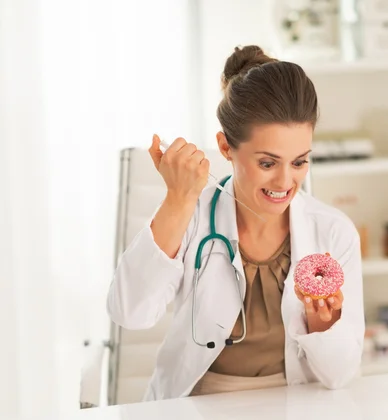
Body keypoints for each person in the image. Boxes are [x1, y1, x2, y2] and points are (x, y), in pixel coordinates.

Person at [107, 45, 365, 401]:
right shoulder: (192, 214)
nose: (285, 182)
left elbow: (340, 375)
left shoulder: (333, 232)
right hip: (197, 405)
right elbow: (130, 313)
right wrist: (178, 199)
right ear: (226, 148)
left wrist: (319, 322)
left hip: (296, 403)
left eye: (300, 162)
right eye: (267, 163)